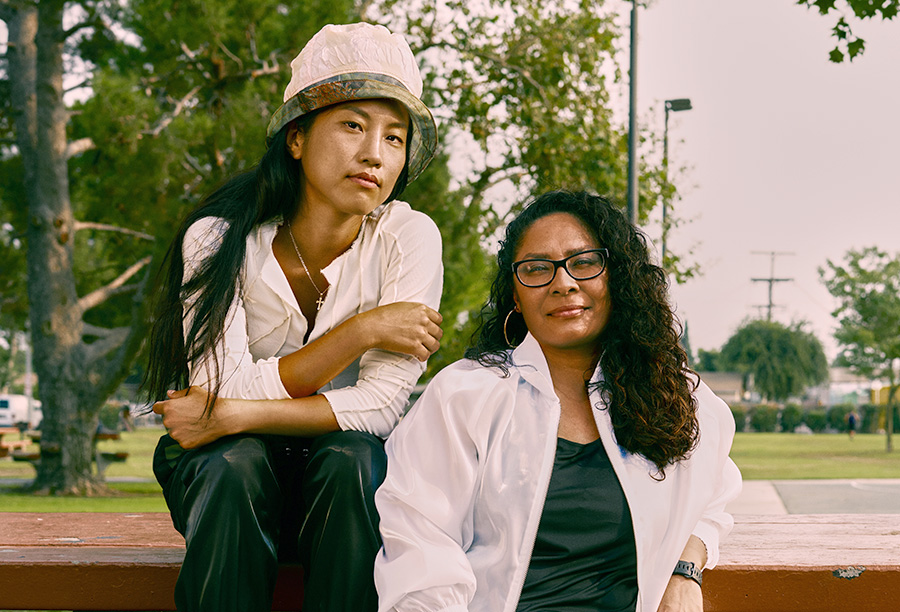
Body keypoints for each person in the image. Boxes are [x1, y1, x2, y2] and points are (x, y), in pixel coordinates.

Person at [144, 22, 443, 612]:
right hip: (223, 481)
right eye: (353, 125)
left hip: (339, 490)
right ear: (297, 138)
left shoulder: (408, 236)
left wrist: (229, 414)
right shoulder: (217, 239)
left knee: (353, 458)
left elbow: (381, 408)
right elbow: (216, 386)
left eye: (394, 137)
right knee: (236, 460)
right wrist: (360, 331)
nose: (373, 154)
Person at [374, 190, 742, 612]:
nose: (562, 283)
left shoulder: (673, 399)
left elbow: (714, 493)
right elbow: (420, 548)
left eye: (584, 263)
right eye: (536, 269)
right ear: (515, 294)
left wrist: (685, 570)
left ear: (616, 277)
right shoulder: (465, 396)